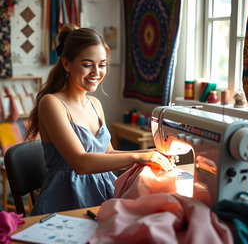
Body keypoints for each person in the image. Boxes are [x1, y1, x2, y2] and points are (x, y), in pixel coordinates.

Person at [25, 24, 172, 216]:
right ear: (67, 64)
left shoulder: (95, 103)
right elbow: (81, 163)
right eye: (87, 64)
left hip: (102, 194)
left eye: (102, 64)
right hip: (66, 202)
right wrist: (138, 157)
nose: (96, 72)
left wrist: (151, 152)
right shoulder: (52, 103)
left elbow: (108, 152)